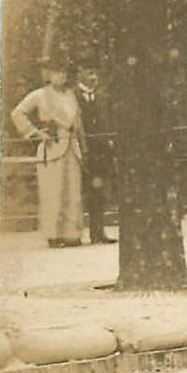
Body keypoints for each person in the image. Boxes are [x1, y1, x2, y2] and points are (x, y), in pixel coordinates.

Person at [11, 54, 85, 248]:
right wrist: (34, 132)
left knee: (72, 191)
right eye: (56, 73)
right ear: (49, 75)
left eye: (63, 73)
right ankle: (54, 235)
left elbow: (77, 121)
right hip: (52, 147)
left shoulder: (71, 94)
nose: (61, 77)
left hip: (72, 146)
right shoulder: (40, 94)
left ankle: (72, 234)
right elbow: (17, 113)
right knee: (53, 191)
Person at [74, 63, 114, 244]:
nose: (93, 77)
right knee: (79, 191)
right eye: (89, 71)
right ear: (80, 74)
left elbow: (109, 121)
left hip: (101, 150)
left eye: (95, 72)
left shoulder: (103, 96)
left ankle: (98, 232)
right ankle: (71, 234)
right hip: (80, 149)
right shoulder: (72, 96)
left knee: (99, 191)